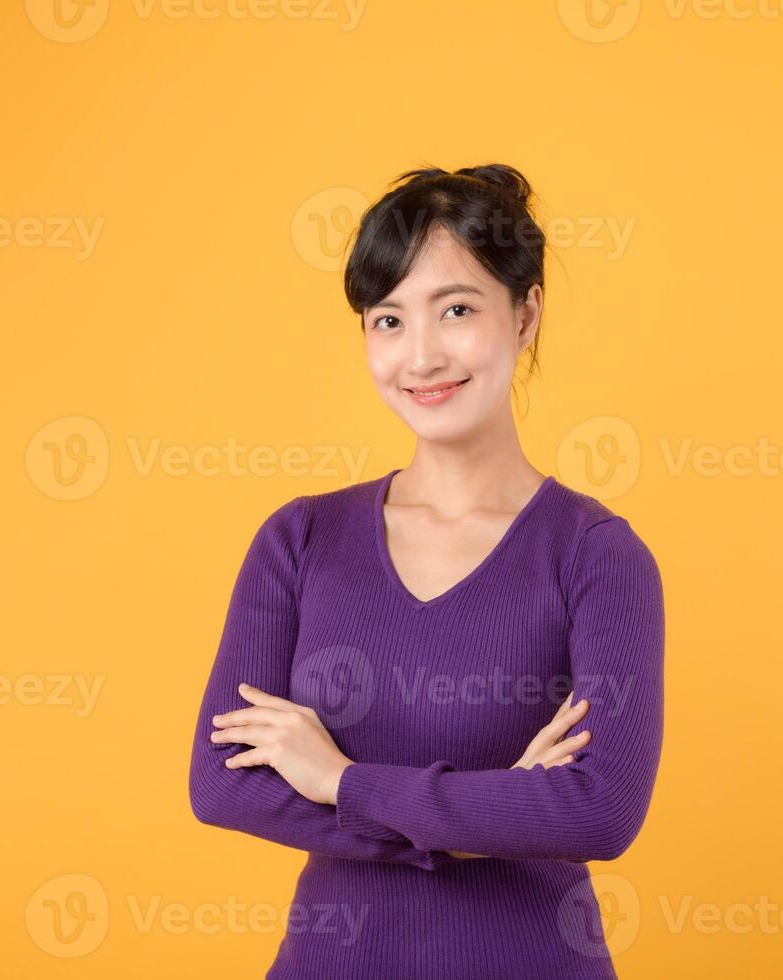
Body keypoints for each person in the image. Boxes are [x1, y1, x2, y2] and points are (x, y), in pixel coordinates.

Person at [188, 163, 665, 979]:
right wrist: (492, 809)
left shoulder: (597, 555)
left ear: (525, 316)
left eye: (456, 310)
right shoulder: (299, 540)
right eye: (388, 320)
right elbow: (222, 785)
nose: (422, 355)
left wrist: (341, 780)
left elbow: (598, 810)